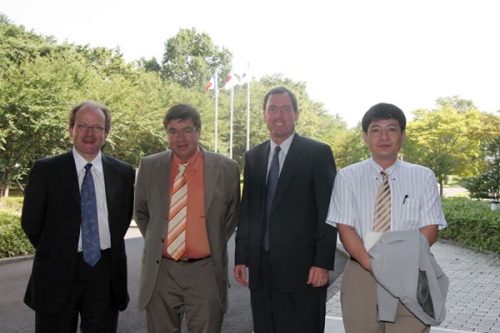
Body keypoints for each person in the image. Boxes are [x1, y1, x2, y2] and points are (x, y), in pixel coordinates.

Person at [326, 103, 448, 332]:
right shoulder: (347, 177)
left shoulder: (423, 177)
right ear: (365, 137)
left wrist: (397, 264)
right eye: (376, 129)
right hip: (362, 272)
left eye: (391, 129)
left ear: (402, 135)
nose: (384, 136)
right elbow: (345, 229)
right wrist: (372, 264)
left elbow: (430, 230)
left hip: (412, 272)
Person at [21, 100, 135, 332]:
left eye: (97, 127)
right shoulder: (46, 170)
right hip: (56, 273)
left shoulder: (123, 172)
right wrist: (57, 251)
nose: (89, 133)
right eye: (83, 126)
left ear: (106, 133)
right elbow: (31, 222)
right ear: (71, 129)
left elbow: (121, 221)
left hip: (105, 274)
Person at [234, 87, 337, 333]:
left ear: (296, 114)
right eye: (272, 109)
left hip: (304, 273)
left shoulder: (318, 153)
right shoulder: (253, 156)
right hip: (261, 271)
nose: (278, 115)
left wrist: (322, 263)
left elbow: (329, 212)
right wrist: (242, 256)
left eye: (285, 109)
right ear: (264, 115)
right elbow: (248, 209)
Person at [134, 103, 240, 332]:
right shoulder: (150, 166)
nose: (180, 138)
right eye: (173, 131)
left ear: (199, 132)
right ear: (167, 134)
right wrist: (161, 241)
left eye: (187, 130)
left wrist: (204, 242)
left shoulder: (226, 169)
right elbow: (142, 213)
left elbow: (230, 217)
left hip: (206, 271)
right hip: (162, 270)